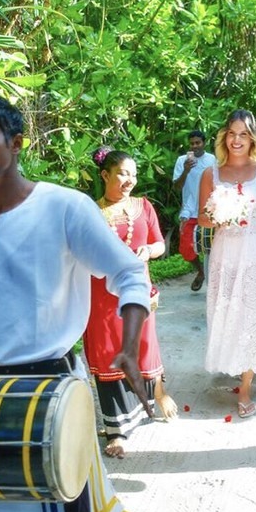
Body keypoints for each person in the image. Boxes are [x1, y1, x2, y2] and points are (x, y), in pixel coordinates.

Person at [0, 91, 151, 512]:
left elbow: (128, 272)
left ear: (16, 142)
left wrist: (129, 344)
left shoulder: (64, 208)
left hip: (48, 392)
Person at [84, 147, 177, 458]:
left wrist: (147, 252)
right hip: (101, 297)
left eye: (133, 174)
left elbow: (160, 244)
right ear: (105, 174)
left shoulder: (143, 206)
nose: (129, 180)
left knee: (144, 346)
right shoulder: (89, 212)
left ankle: (157, 394)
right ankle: (116, 431)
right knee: (107, 353)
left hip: (137, 290)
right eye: (123, 173)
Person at [198, 109, 256, 418]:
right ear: (225, 136)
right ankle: (234, 363)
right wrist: (221, 215)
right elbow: (201, 218)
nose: (237, 140)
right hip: (224, 251)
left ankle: (247, 387)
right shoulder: (211, 173)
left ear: (253, 139)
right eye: (232, 133)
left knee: (254, 314)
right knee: (229, 310)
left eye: (244, 134)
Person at [173, 129, 215, 291]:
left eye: (198, 143)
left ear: (204, 143)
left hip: (210, 210)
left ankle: (214, 283)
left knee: (213, 247)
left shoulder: (212, 160)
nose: (195, 146)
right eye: (192, 144)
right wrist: (186, 170)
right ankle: (200, 271)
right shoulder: (182, 161)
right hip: (189, 211)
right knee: (186, 249)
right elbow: (177, 187)